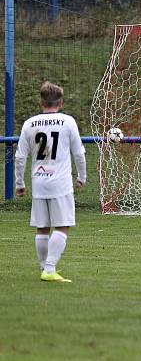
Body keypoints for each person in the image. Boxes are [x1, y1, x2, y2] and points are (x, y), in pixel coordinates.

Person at [15, 81, 87, 282]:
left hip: (39, 182)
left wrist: (20, 183)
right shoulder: (68, 121)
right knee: (62, 225)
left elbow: (21, 156)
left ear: (41, 102)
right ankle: (49, 269)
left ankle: (44, 267)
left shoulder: (29, 123)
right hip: (60, 183)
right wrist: (82, 176)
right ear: (61, 102)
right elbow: (79, 153)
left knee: (42, 227)